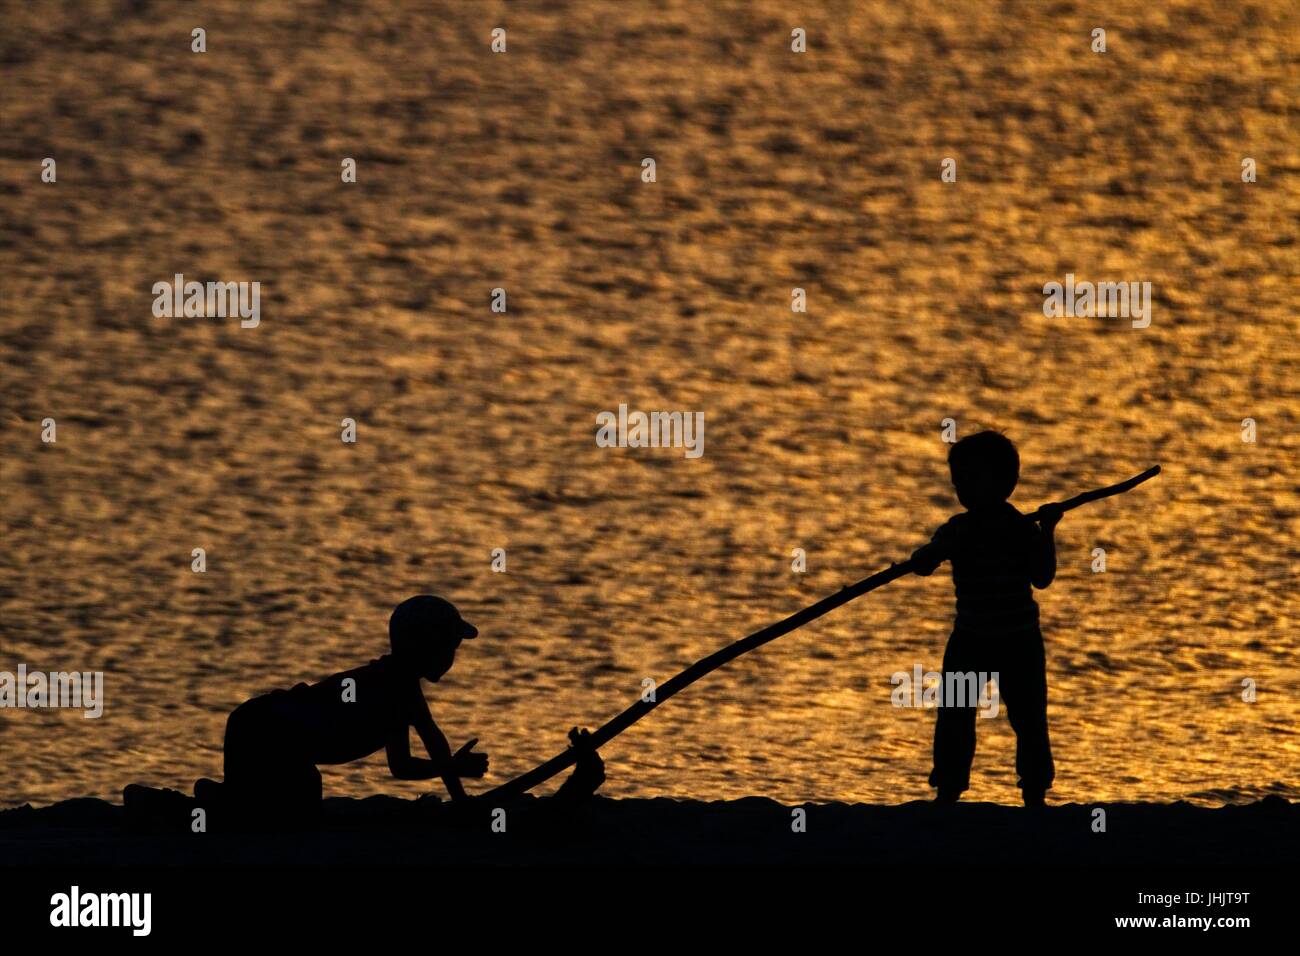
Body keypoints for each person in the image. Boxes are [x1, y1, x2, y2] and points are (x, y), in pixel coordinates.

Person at [194, 594, 487, 828]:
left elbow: (410, 761)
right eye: (449, 647)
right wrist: (455, 776)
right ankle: (227, 801)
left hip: (258, 723)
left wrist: (456, 788)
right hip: (259, 727)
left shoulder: (400, 688)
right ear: (426, 647)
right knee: (298, 810)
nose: (451, 657)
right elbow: (423, 754)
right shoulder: (393, 689)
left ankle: (228, 798)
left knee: (288, 804)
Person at [909, 431, 1062, 808]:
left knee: (1028, 719)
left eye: (967, 480)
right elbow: (923, 563)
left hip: (1019, 641)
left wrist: (1048, 532)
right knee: (956, 716)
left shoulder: (1019, 529)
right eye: (957, 482)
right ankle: (948, 790)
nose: (960, 489)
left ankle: (1034, 791)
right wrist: (930, 553)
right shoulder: (957, 529)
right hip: (970, 639)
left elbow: (1041, 577)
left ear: (1001, 483)